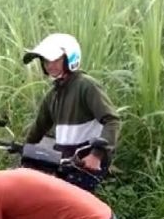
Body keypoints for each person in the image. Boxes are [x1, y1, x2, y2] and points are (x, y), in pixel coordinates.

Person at [22, 33, 121, 182]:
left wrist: (96, 155)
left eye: (55, 59)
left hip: (86, 161)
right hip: (64, 160)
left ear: (70, 58)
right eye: (46, 60)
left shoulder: (86, 86)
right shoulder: (53, 94)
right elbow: (39, 127)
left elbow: (112, 120)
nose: (49, 65)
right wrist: (24, 150)